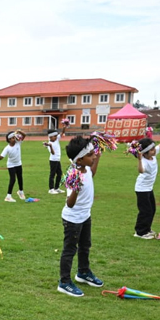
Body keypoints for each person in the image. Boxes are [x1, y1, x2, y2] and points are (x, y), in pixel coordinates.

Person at [58, 136, 104, 297]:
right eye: (90, 155)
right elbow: (70, 203)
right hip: (73, 219)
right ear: (80, 158)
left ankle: (83, 272)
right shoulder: (74, 174)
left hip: (85, 215)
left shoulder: (86, 170)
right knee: (70, 249)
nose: (93, 156)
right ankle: (64, 282)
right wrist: (75, 187)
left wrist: (97, 158)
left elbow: (92, 173)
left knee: (85, 246)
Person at [133, 138, 160, 238]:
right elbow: (141, 170)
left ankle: (147, 229)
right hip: (142, 189)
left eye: (153, 148)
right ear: (144, 153)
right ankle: (140, 232)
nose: (154, 150)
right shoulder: (144, 161)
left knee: (152, 209)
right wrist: (139, 159)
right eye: (151, 150)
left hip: (149, 188)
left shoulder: (153, 155)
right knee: (145, 211)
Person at [0, 130, 27, 202]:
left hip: (18, 163)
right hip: (11, 165)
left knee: (20, 178)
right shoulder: (7, 148)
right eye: (13, 138)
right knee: (13, 179)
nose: (15, 138)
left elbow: (24, 135)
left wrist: (19, 131)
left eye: (14, 137)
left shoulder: (18, 142)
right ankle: (8, 196)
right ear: (9, 139)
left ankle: (21, 192)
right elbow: (1, 158)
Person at [44, 124, 67, 194]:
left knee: (59, 174)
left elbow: (62, 133)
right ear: (51, 137)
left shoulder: (56, 140)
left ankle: (56, 188)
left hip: (57, 160)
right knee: (52, 174)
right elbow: (53, 153)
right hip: (53, 160)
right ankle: (51, 189)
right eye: (55, 136)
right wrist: (50, 146)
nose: (57, 137)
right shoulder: (49, 143)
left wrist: (64, 127)